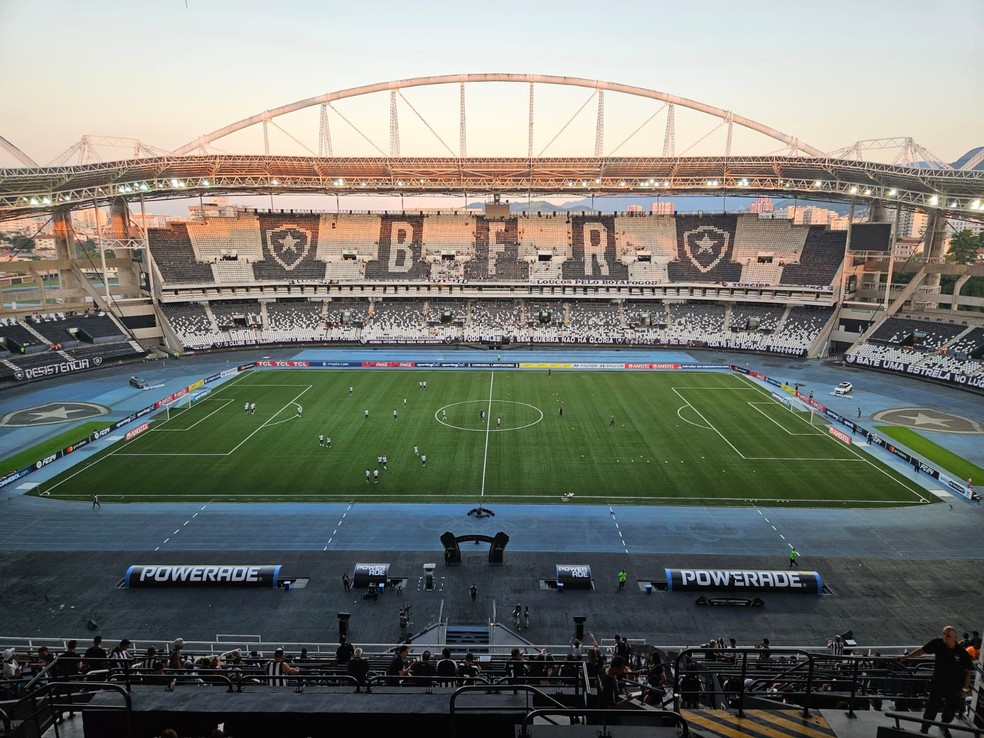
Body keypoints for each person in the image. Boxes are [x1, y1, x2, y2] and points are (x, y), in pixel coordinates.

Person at [899, 626, 973, 735]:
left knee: (952, 706)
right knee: (932, 705)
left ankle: (944, 725)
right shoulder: (937, 644)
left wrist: (965, 688)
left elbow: (968, 671)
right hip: (938, 682)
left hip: (954, 685)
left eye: (948, 635)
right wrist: (906, 657)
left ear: (954, 637)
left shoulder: (962, 653)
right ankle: (925, 727)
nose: (944, 637)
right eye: (943, 634)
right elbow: (922, 651)